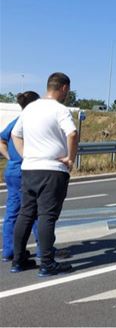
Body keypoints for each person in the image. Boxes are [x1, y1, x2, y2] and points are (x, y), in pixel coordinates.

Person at [10, 72, 78, 276]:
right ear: (64, 88)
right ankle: (47, 263)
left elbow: (15, 133)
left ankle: (18, 260)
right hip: (52, 170)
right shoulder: (60, 110)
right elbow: (72, 133)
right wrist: (70, 158)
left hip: (29, 169)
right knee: (47, 216)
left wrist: (25, 155)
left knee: (25, 214)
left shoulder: (30, 108)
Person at [1, 91, 40, 262]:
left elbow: (1, 140)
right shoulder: (32, 122)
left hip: (12, 171)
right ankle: (43, 248)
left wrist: (10, 157)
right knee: (37, 211)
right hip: (26, 171)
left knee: (12, 212)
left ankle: (9, 250)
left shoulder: (14, 122)